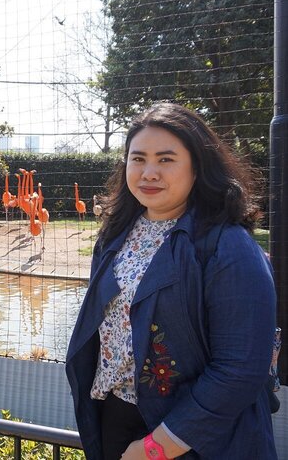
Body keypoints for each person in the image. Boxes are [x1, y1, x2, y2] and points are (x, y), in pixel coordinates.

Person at [65, 102, 277, 459]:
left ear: (197, 166)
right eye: (138, 158)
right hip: (117, 417)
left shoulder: (228, 247)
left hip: (194, 436)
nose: (149, 172)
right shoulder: (114, 236)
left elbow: (240, 369)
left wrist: (155, 448)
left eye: (165, 159)